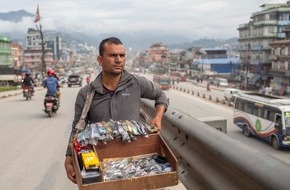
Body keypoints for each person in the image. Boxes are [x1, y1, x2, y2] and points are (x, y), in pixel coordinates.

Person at [64, 37, 169, 184]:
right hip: (102, 163)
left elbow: (160, 96)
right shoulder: (87, 93)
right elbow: (77, 127)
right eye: (112, 55)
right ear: (100, 60)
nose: (118, 60)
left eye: (122, 55)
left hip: (135, 161)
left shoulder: (136, 83)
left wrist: (158, 117)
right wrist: (69, 157)